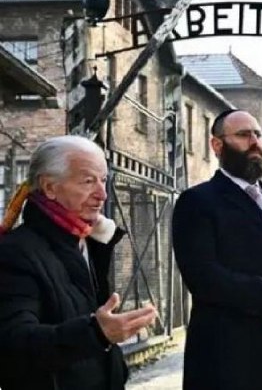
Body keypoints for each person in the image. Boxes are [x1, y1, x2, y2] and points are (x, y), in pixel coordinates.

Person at [172, 109, 262, 390]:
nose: (255, 142)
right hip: (227, 366)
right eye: (243, 135)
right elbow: (203, 276)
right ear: (217, 145)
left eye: (258, 135)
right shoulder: (197, 202)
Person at [0, 135, 157, 390]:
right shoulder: (15, 252)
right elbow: (13, 345)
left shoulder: (88, 239)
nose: (102, 194)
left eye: (103, 180)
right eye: (88, 181)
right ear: (50, 187)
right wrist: (96, 333)